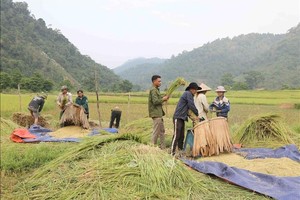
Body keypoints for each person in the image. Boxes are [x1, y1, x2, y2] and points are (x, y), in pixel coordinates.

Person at [171, 82, 201, 156]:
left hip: (182, 118)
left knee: (181, 136)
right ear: (192, 89)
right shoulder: (188, 94)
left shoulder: (189, 95)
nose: (196, 91)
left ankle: (180, 151)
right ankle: (172, 152)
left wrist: (194, 118)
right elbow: (191, 105)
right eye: (195, 90)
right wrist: (197, 113)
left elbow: (188, 111)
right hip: (178, 117)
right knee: (176, 135)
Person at [148, 75, 169, 149]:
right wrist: (163, 99)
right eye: (159, 81)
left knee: (162, 131)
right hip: (156, 114)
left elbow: (158, 98)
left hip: (159, 114)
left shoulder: (156, 90)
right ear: (154, 81)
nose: (160, 82)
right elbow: (155, 101)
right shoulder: (153, 90)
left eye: (160, 81)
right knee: (156, 132)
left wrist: (164, 97)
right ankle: (151, 147)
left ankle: (163, 147)